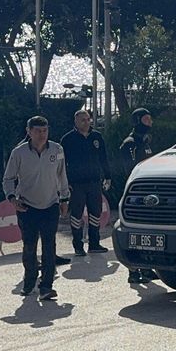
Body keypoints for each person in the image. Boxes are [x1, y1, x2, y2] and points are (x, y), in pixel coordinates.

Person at [2, 116, 72, 300]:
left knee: (49, 246)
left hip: (51, 204)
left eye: (45, 130)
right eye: (38, 131)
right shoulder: (19, 152)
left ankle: (46, 286)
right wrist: (12, 198)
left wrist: (64, 199)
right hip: (27, 206)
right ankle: (29, 280)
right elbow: (8, 178)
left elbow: (62, 175)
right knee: (29, 246)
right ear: (29, 132)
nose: (42, 135)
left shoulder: (57, 149)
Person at [60, 109, 111, 257]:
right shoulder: (68, 139)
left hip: (94, 182)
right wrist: (65, 182)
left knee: (95, 213)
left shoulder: (96, 137)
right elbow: (62, 164)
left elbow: (103, 158)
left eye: (88, 119)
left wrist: (108, 176)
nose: (86, 122)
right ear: (76, 121)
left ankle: (94, 244)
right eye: (83, 120)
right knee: (76, 215)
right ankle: (78, 246)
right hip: (76, 184)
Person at [120, 108, 159, 284]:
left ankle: (146, 268)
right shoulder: (130, 143)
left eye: (150, 118)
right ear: (137, 121)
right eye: (146, 119)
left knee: (148, 231)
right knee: (133, 232)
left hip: (149, 192)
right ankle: (133, 271)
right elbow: (129, 170)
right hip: (135, 194)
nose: (150, 122)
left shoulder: (146, 141)